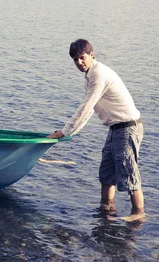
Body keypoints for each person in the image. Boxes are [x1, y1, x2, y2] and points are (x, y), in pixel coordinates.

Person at [47, 39, 145, 222]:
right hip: (115, 128)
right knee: (106, 173)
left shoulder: (99, 74)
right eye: (75, 59)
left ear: (92, 55)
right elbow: (89, 111)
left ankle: (138, 214)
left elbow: (86, 107)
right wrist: (69, 133)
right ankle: (106, 209)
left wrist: (63, 132)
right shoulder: (90, 76)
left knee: (128, 170)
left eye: (82, 58)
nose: (79, 62)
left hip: (128, 127)